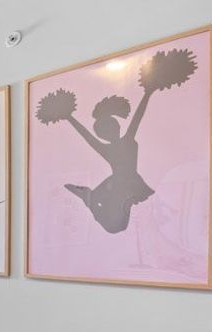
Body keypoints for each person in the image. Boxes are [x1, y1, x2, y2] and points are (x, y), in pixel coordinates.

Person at [35, 47, 197, 234]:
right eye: (109, 129)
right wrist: (69, 117)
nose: (114, 130)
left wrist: (148, 92)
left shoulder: (121, 142)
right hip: (121, 183)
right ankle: (90, 198)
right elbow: (88, 136)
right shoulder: (120, 143)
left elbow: (136, 117)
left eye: (113, 127)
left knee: (128, 221)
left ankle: (89, 197)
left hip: (126, 183)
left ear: (116, 128)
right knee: (116, 225)